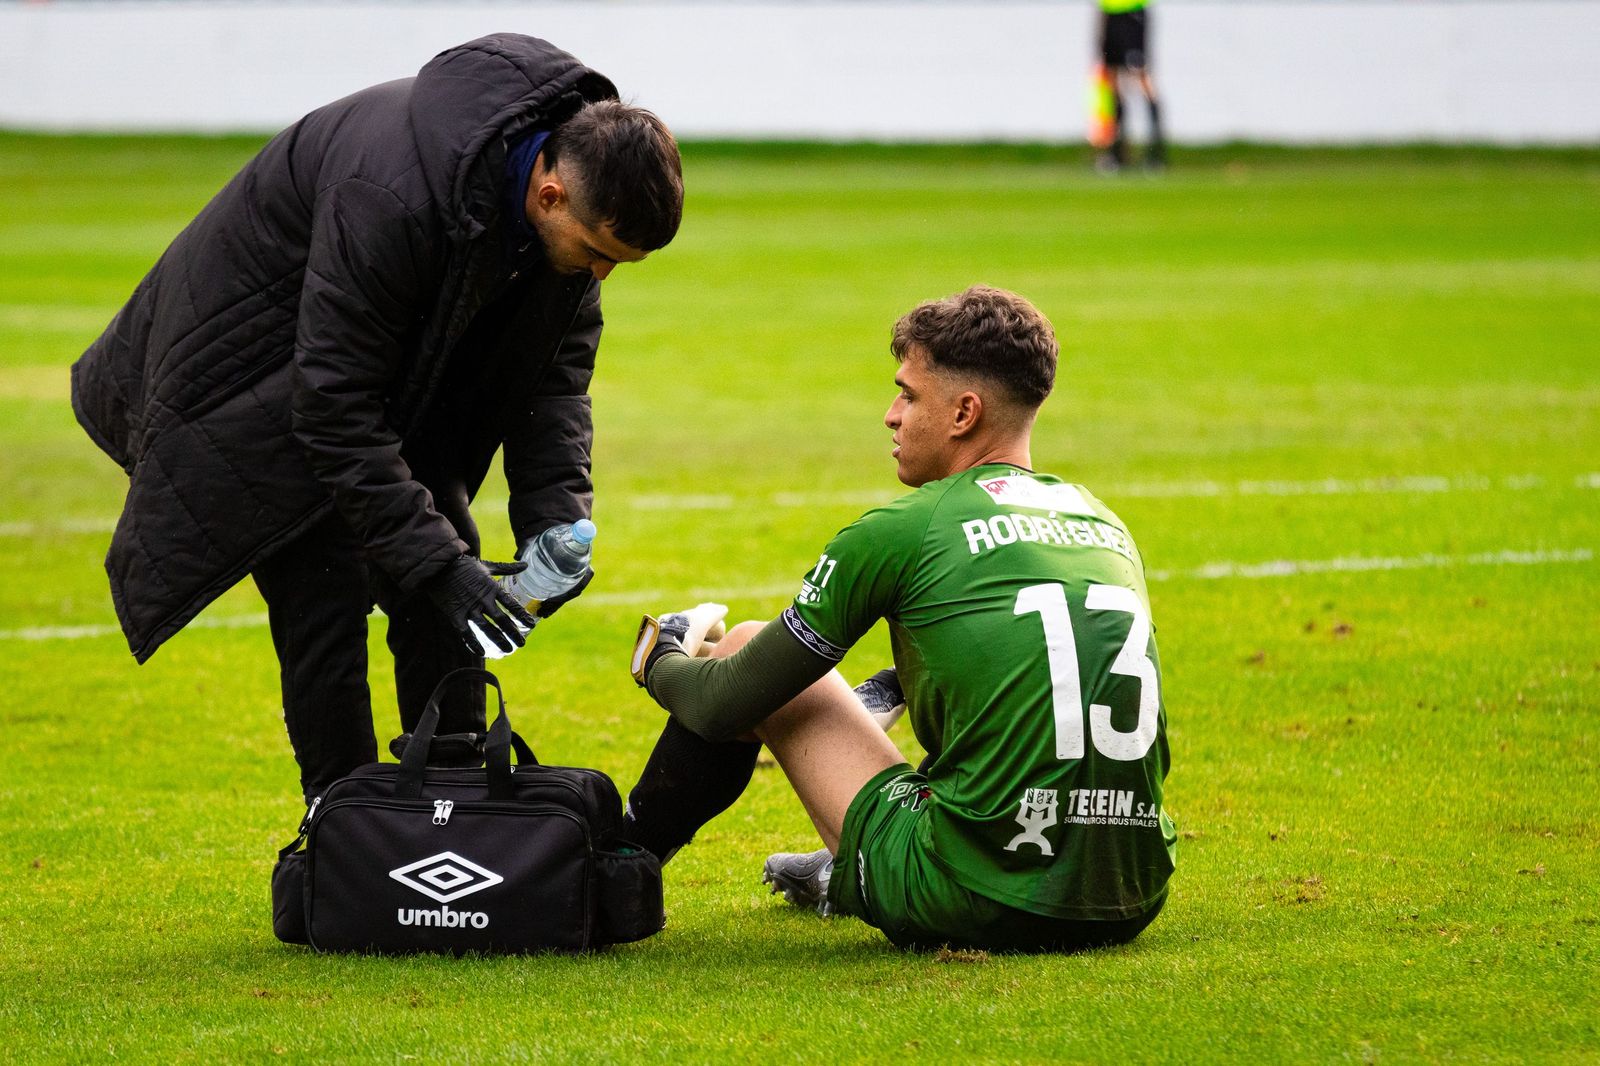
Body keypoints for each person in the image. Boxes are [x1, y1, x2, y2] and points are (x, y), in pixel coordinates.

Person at [70, 34, 684, 802]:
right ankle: (345, 832)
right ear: (550, 194)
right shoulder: (392, 192)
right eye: (598, 253)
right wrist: (437, 567)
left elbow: (553, 388)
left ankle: (458, 810)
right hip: (248, 383)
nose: (600, 274)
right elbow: (329, 405)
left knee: (446, 566)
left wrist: (555, 521)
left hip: (379, 381)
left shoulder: (564, 220)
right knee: (323, 589)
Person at [624, 287, 1176, 953]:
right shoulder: (1101, 520)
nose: (891, 416)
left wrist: (661, 658)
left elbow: (719, 704)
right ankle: (849, 849)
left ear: (964, 412)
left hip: (974, 895)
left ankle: (620, 868)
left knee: (747, 649)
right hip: (1130, 889)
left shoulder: (906, 528)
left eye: (908, 395)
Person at [1096, 0, 1167, 171]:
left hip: (1132, 13)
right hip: (1109, 12)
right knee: (1113, 82)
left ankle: (1155, 154)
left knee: (1141, 76)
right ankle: (1117, 153)